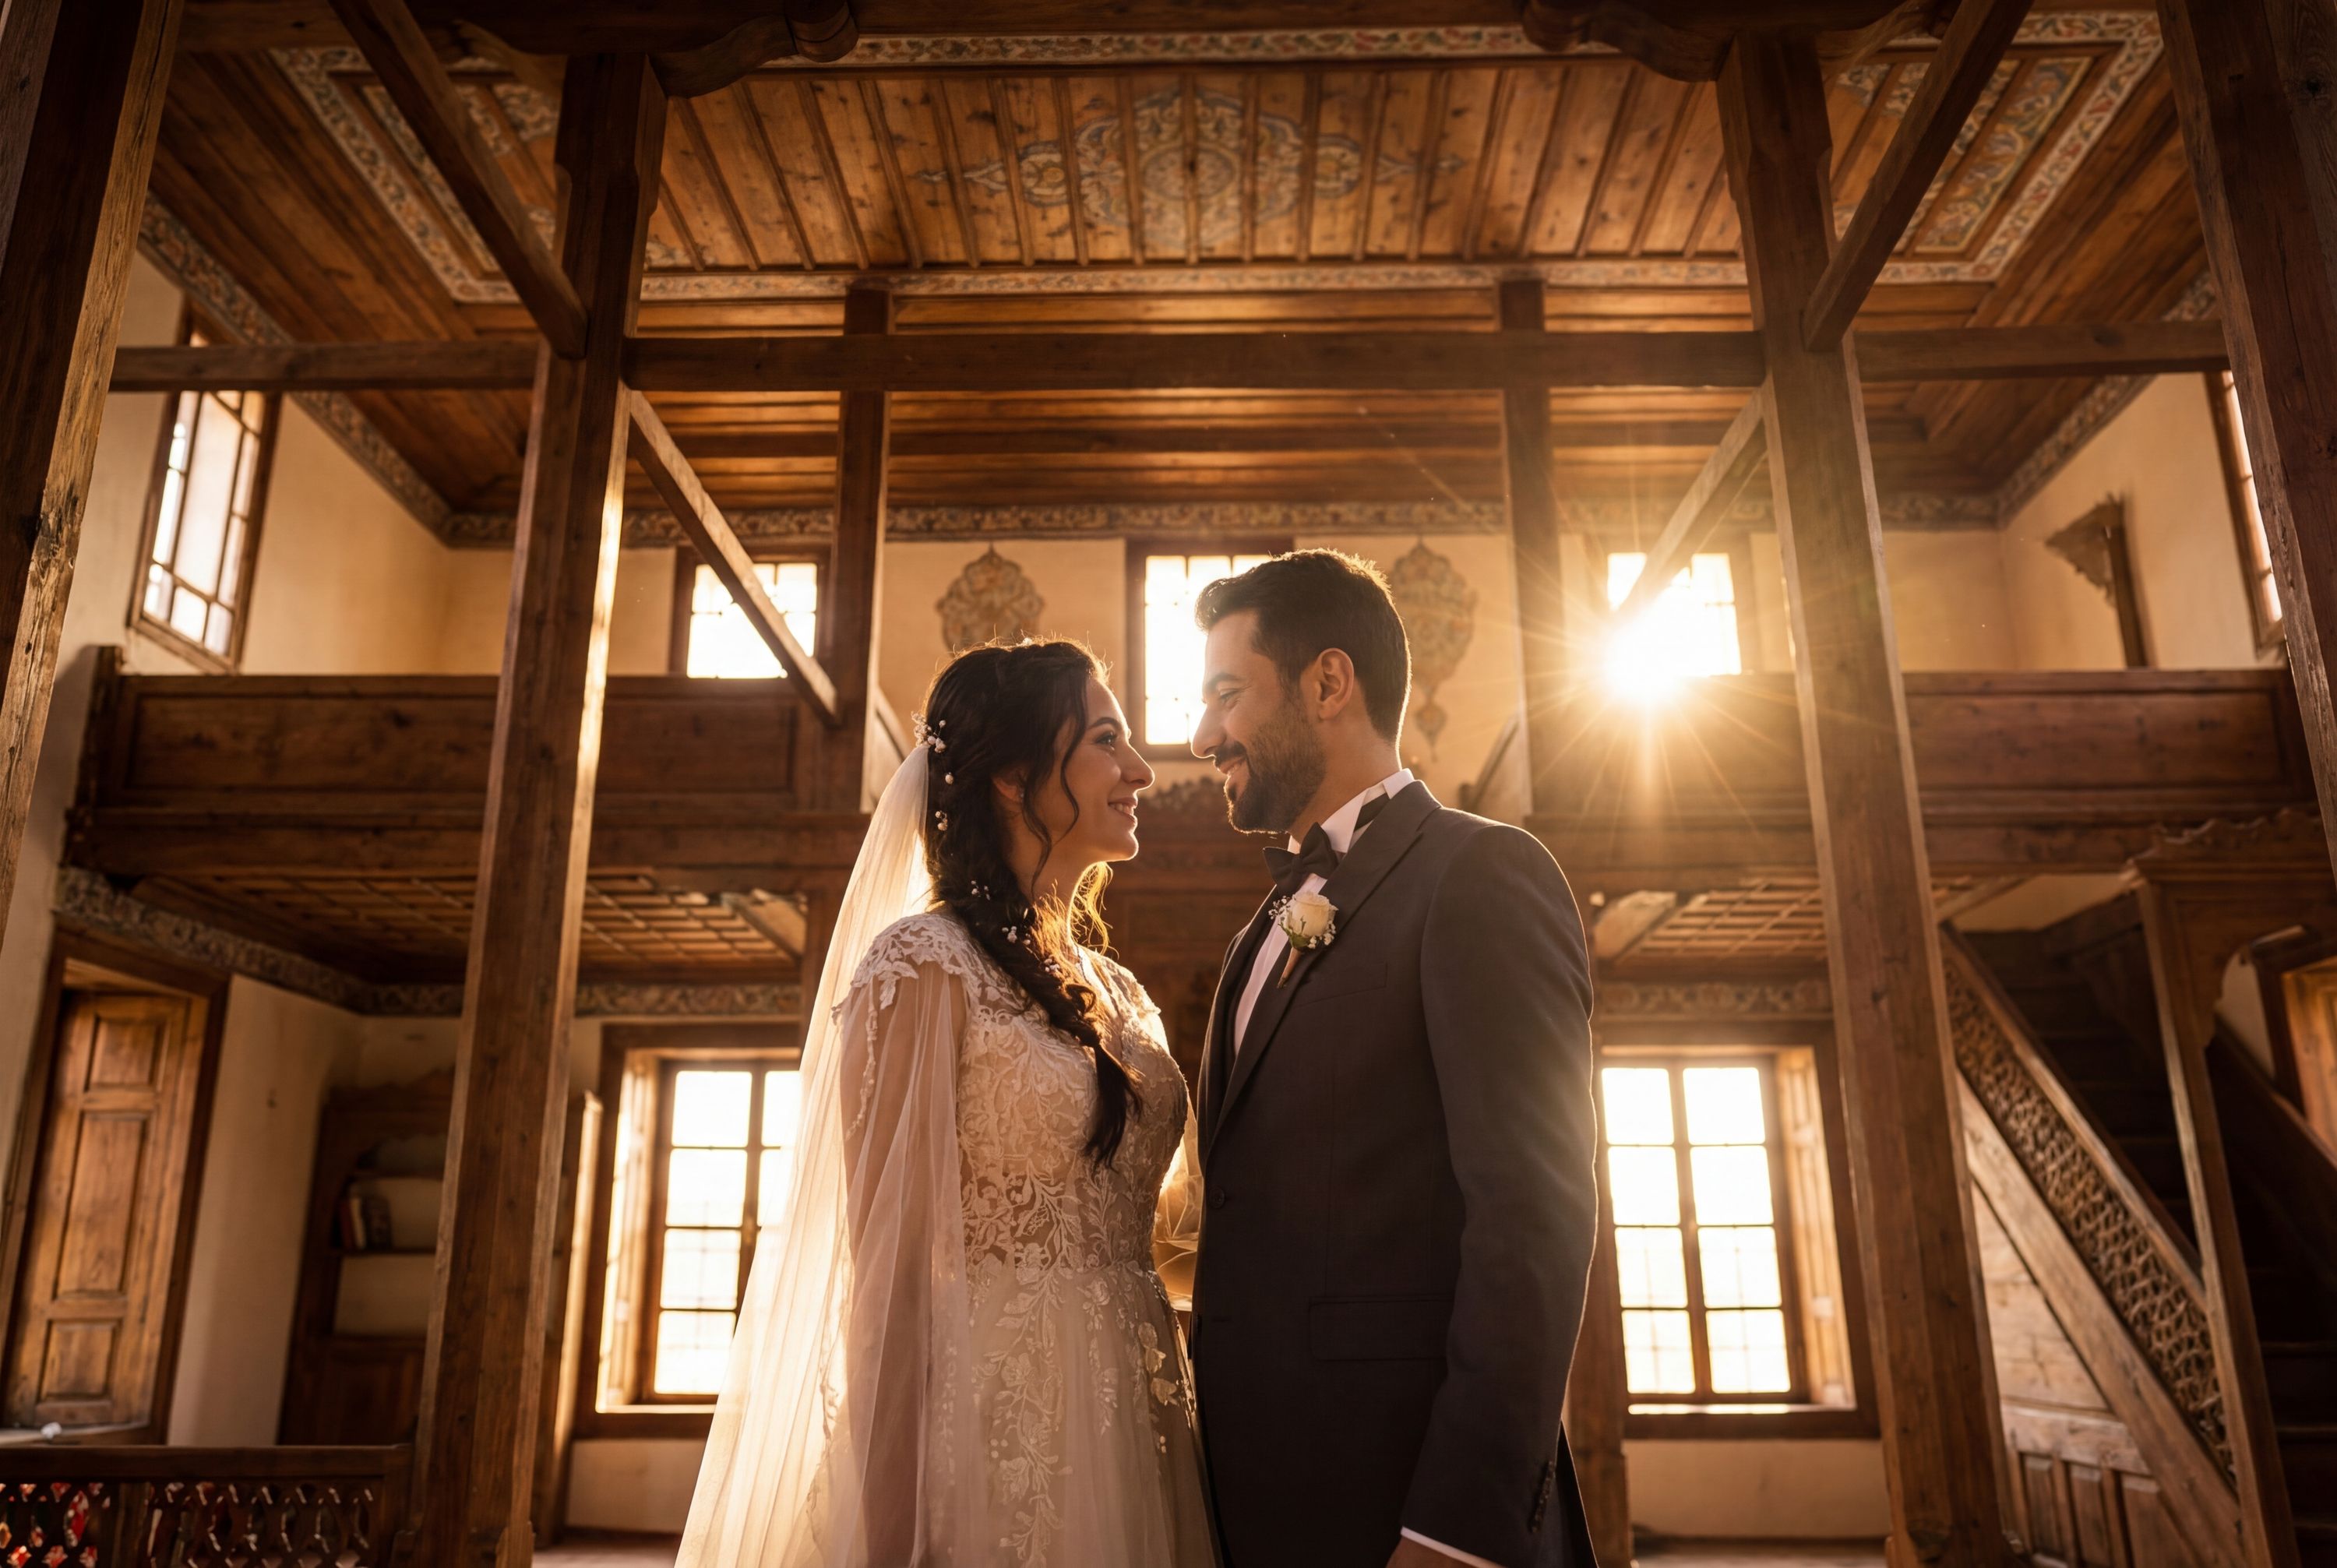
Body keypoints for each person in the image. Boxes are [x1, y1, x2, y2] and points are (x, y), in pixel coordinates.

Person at [675, 638, 1217, 1568]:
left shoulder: (1121, 993)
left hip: (1142, 1414)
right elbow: (886, 1281)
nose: (1141, 771)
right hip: (996, 1432)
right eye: (1106, 741)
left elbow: (1170, 1233)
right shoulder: (923, 968)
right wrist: (894, 1528)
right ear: (1013, 777)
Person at [1187, 551, 1599, 1568]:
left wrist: (1455, 1530)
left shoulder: (1480, 874)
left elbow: (1533, 1221)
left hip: (1413, 1510)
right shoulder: (1257, 934)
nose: (1202, 737)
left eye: (1227, 694)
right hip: (1259, 1503)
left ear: (1329, 683)